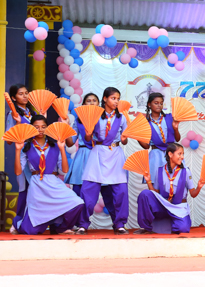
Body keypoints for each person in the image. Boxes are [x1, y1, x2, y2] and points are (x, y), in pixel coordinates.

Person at [13, 115, 84, 235]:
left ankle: (59, 227)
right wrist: (17, 150)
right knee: (30, 231)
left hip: (53, 183)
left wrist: (62, 148)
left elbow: (64, 169)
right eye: (36, 127)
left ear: (47, 128)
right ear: (31, 128)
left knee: (77, 203)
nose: (40, 130)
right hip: (37, 185)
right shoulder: (26, 147)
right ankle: (18, 223)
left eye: (43, 126)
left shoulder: (55, 145)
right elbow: (18, 172)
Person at [76, 87, 129, 235]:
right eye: (113, 98)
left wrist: (124, 139)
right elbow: (88, 139)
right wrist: (88, 134)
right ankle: (83, 224)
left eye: (118, 99)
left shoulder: (122, 118)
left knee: (120, 191)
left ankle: (119, 224)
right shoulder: (95, 115)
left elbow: (124, 141)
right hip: (98, 153)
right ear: (105, 99)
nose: (116, 101)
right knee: (88, 190)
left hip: (116, 154)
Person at [135, 143, 205, 234]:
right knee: (145, 194)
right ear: (170, 154)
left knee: (183, 229)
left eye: (183, 154)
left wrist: (199, 187)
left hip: (179, 207)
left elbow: (193, 194)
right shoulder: (160, 170)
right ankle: (145, 227)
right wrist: (148, 181)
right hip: (164, 205)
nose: (182, 157)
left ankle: (173, 225)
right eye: (179, 154)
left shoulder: (186, 171)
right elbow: (155, 193)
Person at [5, 83, 35, 233]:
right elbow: (9, 140)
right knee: (24, 188)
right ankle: (17, 223)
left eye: (26, 93)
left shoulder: (32, 112)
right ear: (13, 98)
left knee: (36, 188)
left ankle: (32, 222)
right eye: (21, 94)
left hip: (36, 153)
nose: (25, 96)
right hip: (23, 153)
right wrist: (17, 122)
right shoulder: (12, 114)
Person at [138, 92, 181, 182]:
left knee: (173, 182)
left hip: (171, 154)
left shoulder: (170, 117)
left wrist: (176, 129)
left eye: (161, 103)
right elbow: (146, 146)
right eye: (156, 103)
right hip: (156, 155)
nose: (159, 105)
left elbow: (177, 139)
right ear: (149, 104)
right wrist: (137, 137)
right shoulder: (145, 122)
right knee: (155, 182)